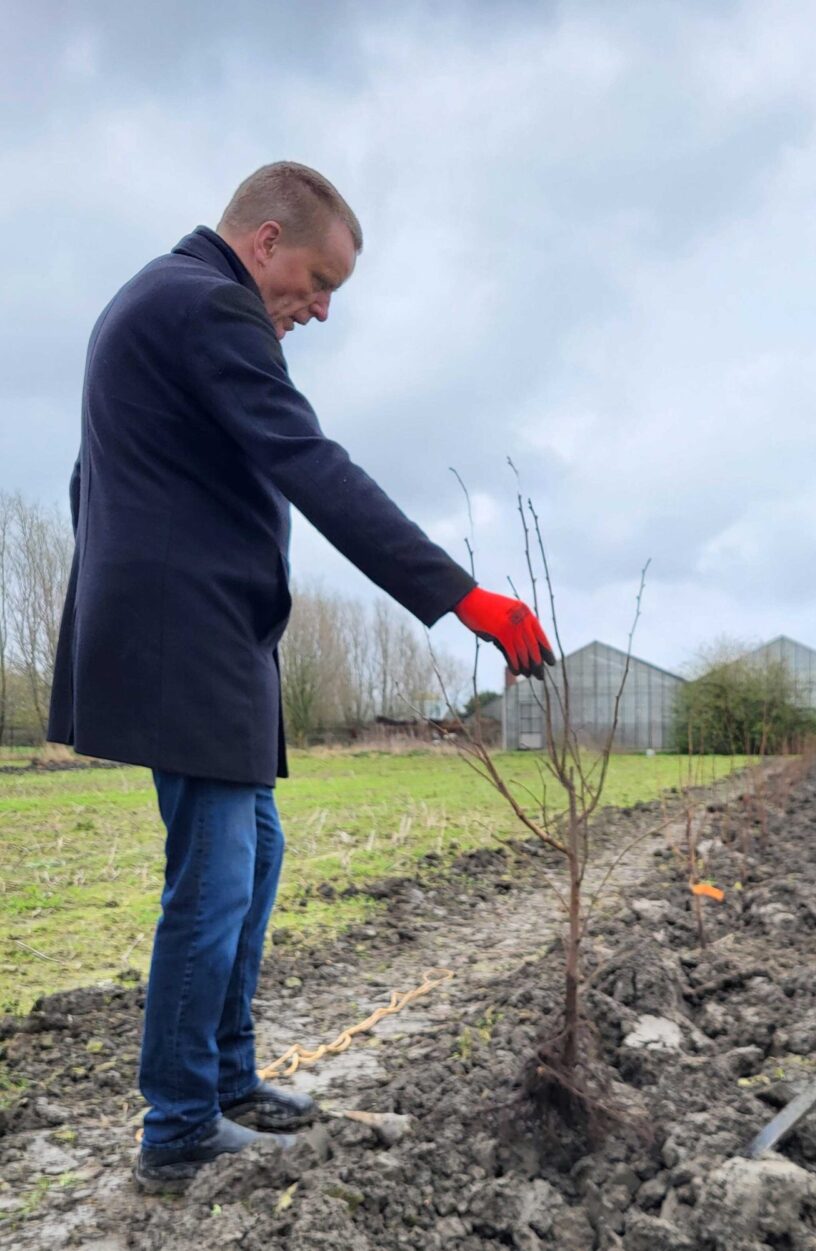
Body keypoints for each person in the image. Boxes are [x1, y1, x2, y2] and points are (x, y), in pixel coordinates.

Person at [47, 162, 554, 1193]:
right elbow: (310, 463)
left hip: (202, 633)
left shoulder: (157, 300)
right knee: (214, 877)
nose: (320, 310)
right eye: (319, 283)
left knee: (256, 852)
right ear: (266, 241)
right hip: (188, 638)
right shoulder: (208, 305)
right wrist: (461, 595)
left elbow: (95, 478)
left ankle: (226, 1080)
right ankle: (178, 1126)